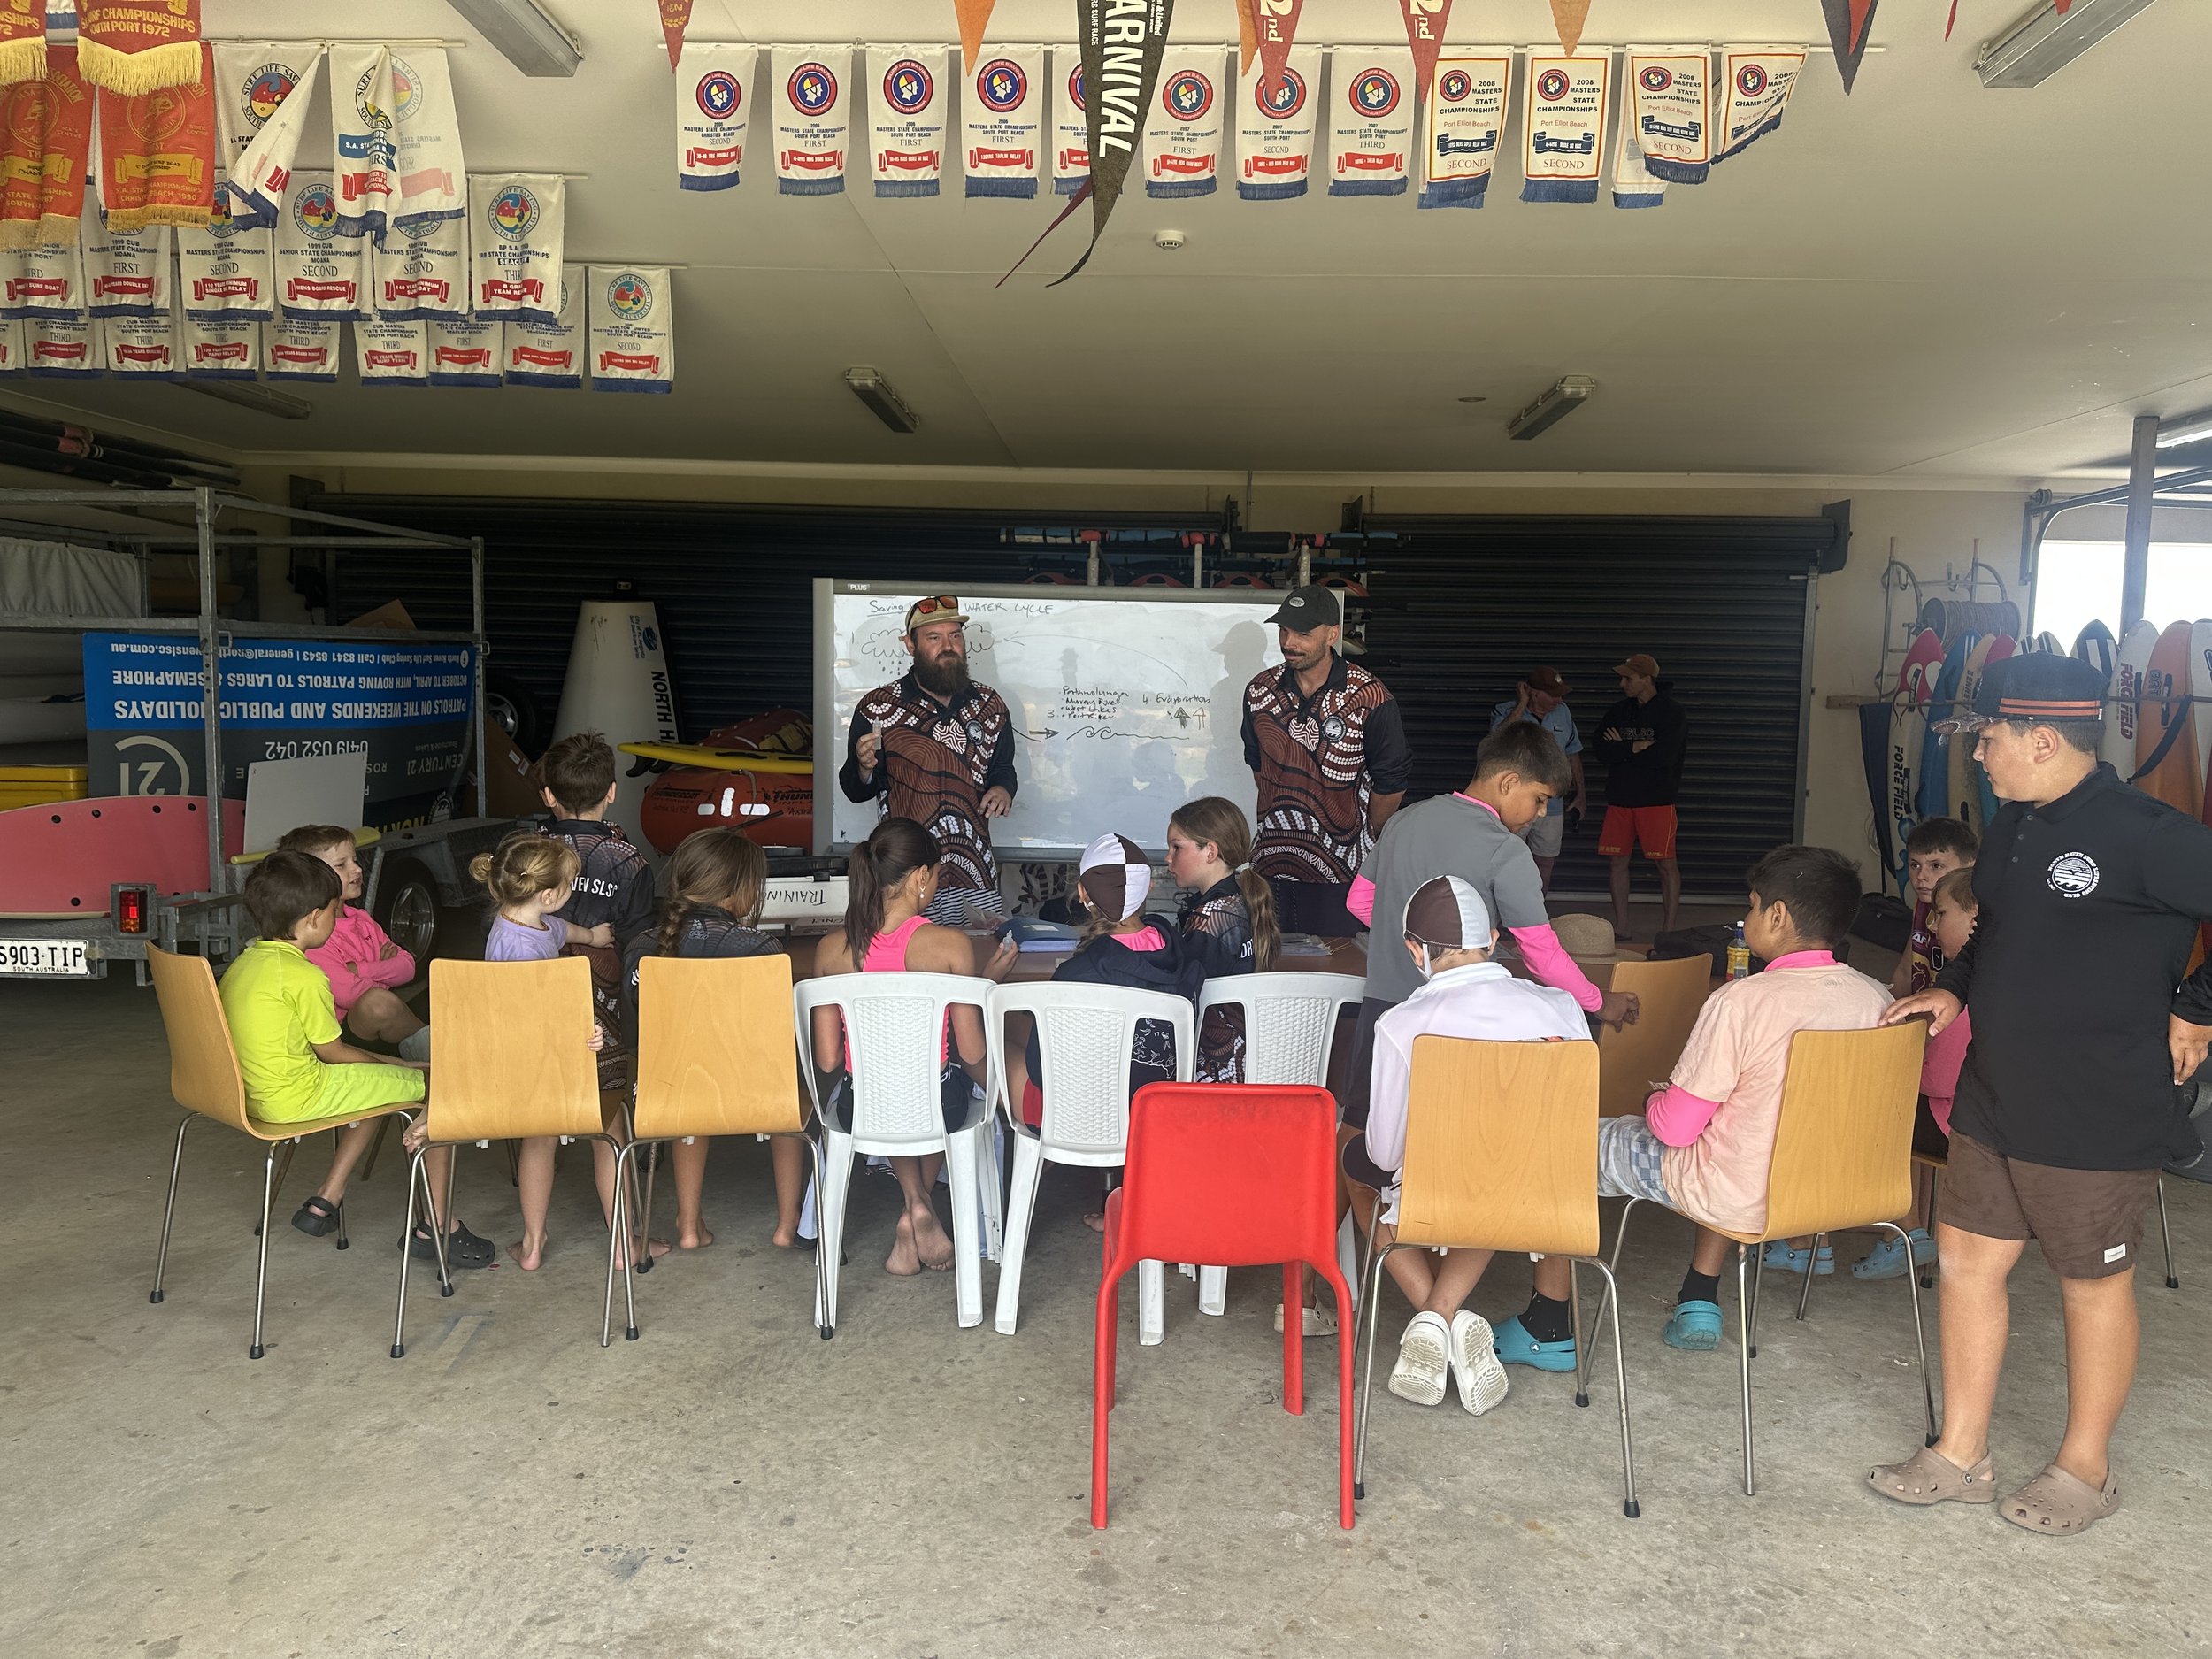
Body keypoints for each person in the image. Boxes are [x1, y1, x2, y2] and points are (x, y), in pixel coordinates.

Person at [1874, 654, 2212, 1537]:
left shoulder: (2149, 832)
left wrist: (2197, 1009)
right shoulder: (2015, 826)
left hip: (2095, 1106)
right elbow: (1997, 931)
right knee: (1966, 1265)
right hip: (1994, 1096)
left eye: (1987, 738)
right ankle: (1960, 1452)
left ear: (2043, 737)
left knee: (2087, 1288)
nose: (1978, 754)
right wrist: (1955, 985)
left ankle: (2084, 1469)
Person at [1492, 846, 1892, 1369]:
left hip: (1738, 1189)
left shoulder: (1741, 1001)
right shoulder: (1876, 999)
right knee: (1736, 1130)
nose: (1745, 920)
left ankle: (1546, 1325)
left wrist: (1654, 1099)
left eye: (1750, 907)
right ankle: (1698, 1296)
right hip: (1834, 1189)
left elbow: (1676, 1129)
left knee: (1559, 1140)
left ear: (1776, 915)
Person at [1340, 875, 1591, 1415]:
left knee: (1362, 1172)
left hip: (1445, 1201)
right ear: (1495, 937)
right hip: (1548, 1200)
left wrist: (1362, 1158)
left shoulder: (1402, 1023)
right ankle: (1446, 1322)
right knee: (1498, 1168)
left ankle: (1436, 1319)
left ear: (1415, 951)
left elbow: (1384, 1156)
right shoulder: (1562, 1008)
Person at [1339, 721, 1637, 1150]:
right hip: (1460, 1020)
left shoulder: (1405, 820)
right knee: (1454, 1138)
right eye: (1540, 799)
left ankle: (1340, 1217)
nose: (1539, 814)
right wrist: (1599, 1001)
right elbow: (1541, 953)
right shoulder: (1507, 850)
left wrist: (1402, 939)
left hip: (1385, 1006)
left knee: (1363, 1127)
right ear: (1508, 782)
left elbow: (1360, 902)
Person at [220, 853, 490, 1269]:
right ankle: (437, 1227)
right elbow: (335, 1054)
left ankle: (327, 1201)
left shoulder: (244, 964)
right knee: (440, 1088)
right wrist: (406, 1068)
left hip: (254, 1096)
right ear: (313, 919)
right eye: (333, 912)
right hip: (300, 1096)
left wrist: (390, 1070)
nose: (336, 919)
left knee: (376, 1083)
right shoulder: (306, 976)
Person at [810, 817, 1018, 1275]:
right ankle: (919, 1206)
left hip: (858, 1106)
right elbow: (971, 1050)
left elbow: (827, 1059)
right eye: (939, 876)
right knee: (943, 1085)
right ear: (921, 877)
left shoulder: (829, 950)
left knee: (894, 1092)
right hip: (936, 1104)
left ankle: (913, 1210)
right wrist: (987, 988)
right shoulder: (949, 945)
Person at [469, 832, 638, 1272]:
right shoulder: (527, 957)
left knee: (538, 1136)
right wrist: (590, 1035)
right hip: (546, 1061)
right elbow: (542, 1024)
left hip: (518, 1074)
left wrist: (595, 937)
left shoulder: (520, 925)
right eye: (569, 885)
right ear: (548, 894)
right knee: (613, 1120)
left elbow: (566, 929)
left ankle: (532, 1245)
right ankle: (624, 1245)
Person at [622, 828, 797, 1252]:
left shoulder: (642, 947)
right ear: (739, 891)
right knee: (790, 1083)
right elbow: (776, 1031)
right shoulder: (763, 949)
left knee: (688, 1077)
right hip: (759, 1096)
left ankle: (687, 1224)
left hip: (670, 1095)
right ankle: (788, 1225)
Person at [1240, 584, 1412, 936]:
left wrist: (1365, 839)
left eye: (1303, 633)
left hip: (1343, 870)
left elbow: (1391, 785)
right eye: (1284, 630)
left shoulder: (1370, 697)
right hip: (1271, 862)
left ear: (1332, 634)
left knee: (1337, 964)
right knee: (1271, 965)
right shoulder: (1259, 690)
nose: (1289, 642)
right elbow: (1258, 765)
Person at [839, 595, 1017, 928]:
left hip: (974, 874)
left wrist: (1003, 789)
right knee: (902, 966)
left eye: (955, 636)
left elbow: (1003, 768)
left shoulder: (990, 705)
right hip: (903, 878)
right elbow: (854, 790)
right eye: (934, 638)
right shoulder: (876, 707)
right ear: (910, 645)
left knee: (973, 966)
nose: (948, 646)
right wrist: (863, 769)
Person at [538, 732, 658, 1089]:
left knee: (537, 1118)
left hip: (532, 1010)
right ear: (611, 792)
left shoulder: (523, 854)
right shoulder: (631, 861)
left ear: (548, 795)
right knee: (608, 1112)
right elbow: (639, 947)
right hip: (606, 1020)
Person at [276, 825, 430, 1062]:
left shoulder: (361, 919)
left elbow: (408, 967)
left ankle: (431, 1050)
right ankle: (440, 1057)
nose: (357, 869)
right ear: (310, 877)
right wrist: (385, 970)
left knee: (441, 992)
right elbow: (348, 994)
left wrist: (361, 969)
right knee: (378, 1004)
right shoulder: (313, 932)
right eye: (342, 864)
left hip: (373, 1026)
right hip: (337, 1042)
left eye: (355, 860)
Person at [1164, 795, 1280, 1085]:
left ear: (1210, 851)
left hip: (1214, 1066)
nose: (1168, 858)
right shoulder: (1244, 900)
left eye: (1177, 847)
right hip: (1252, 1052)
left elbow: (1183, 1000)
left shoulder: (1209, 920)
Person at [1592, 653, 1689, 941]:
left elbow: (1665, 756)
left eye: (1628, 678)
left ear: (1646, 679)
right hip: (1620, 800)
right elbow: (1601, 750)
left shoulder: (1672, 713)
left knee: (1666, 864)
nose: (1622, 684)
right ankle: (1622, 925)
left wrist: (1622, 746)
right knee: (1616, 861)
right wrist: (1634, 748)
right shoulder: (1619, 711)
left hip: (1657, 801)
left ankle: (1669, 929)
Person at [1488, 667, 1587, 890]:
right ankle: (1508, 915)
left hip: (1552, 805)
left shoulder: (1563, 712)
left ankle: (1536, 915)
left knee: (1545, 861)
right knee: (1509, 861)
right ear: (1534, 694)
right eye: (1554, 694)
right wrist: (1521, 704)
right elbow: (1496, 743)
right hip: (1513, 804)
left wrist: (1581, 795)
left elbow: (1572, 751)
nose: (1559, 699)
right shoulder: (1506, 712)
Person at [1889, 817, 1979, 998]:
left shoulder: (1975, 912)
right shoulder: (1922, 903)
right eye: (1915, 865)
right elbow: (1907, 969)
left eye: (1936, 866)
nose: (1921, 876)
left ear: (1970, 865)